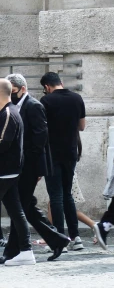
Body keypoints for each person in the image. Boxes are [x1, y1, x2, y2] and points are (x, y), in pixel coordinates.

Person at [2, 74, 69, 262]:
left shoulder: (34, 105)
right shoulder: (16, 106)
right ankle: (57, 240)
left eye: (13, 91)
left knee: (20, 207)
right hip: (21, 166)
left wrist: (32, 168)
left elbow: (40, 139)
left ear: (22, 88)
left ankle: (14, 250)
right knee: (26, 206)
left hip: (29, 167)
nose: (11, 95)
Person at [40, 72, 86, 250]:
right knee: (67, 194)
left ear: (47, 87)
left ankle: (60, 237)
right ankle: (75, 237)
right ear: (61, 82)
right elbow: (82, 126)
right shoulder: (77, 98)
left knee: (56, 196)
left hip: (52, 153)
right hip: (71, 152)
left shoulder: (46, 101)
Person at [0, 78, 35, 266]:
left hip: (5, 171)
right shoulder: (7, 112)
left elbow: (3, 143)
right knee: (16, 211)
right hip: (8, 171)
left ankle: (26, 250)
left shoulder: (8, 113)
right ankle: (26, 251)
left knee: (17, 211)